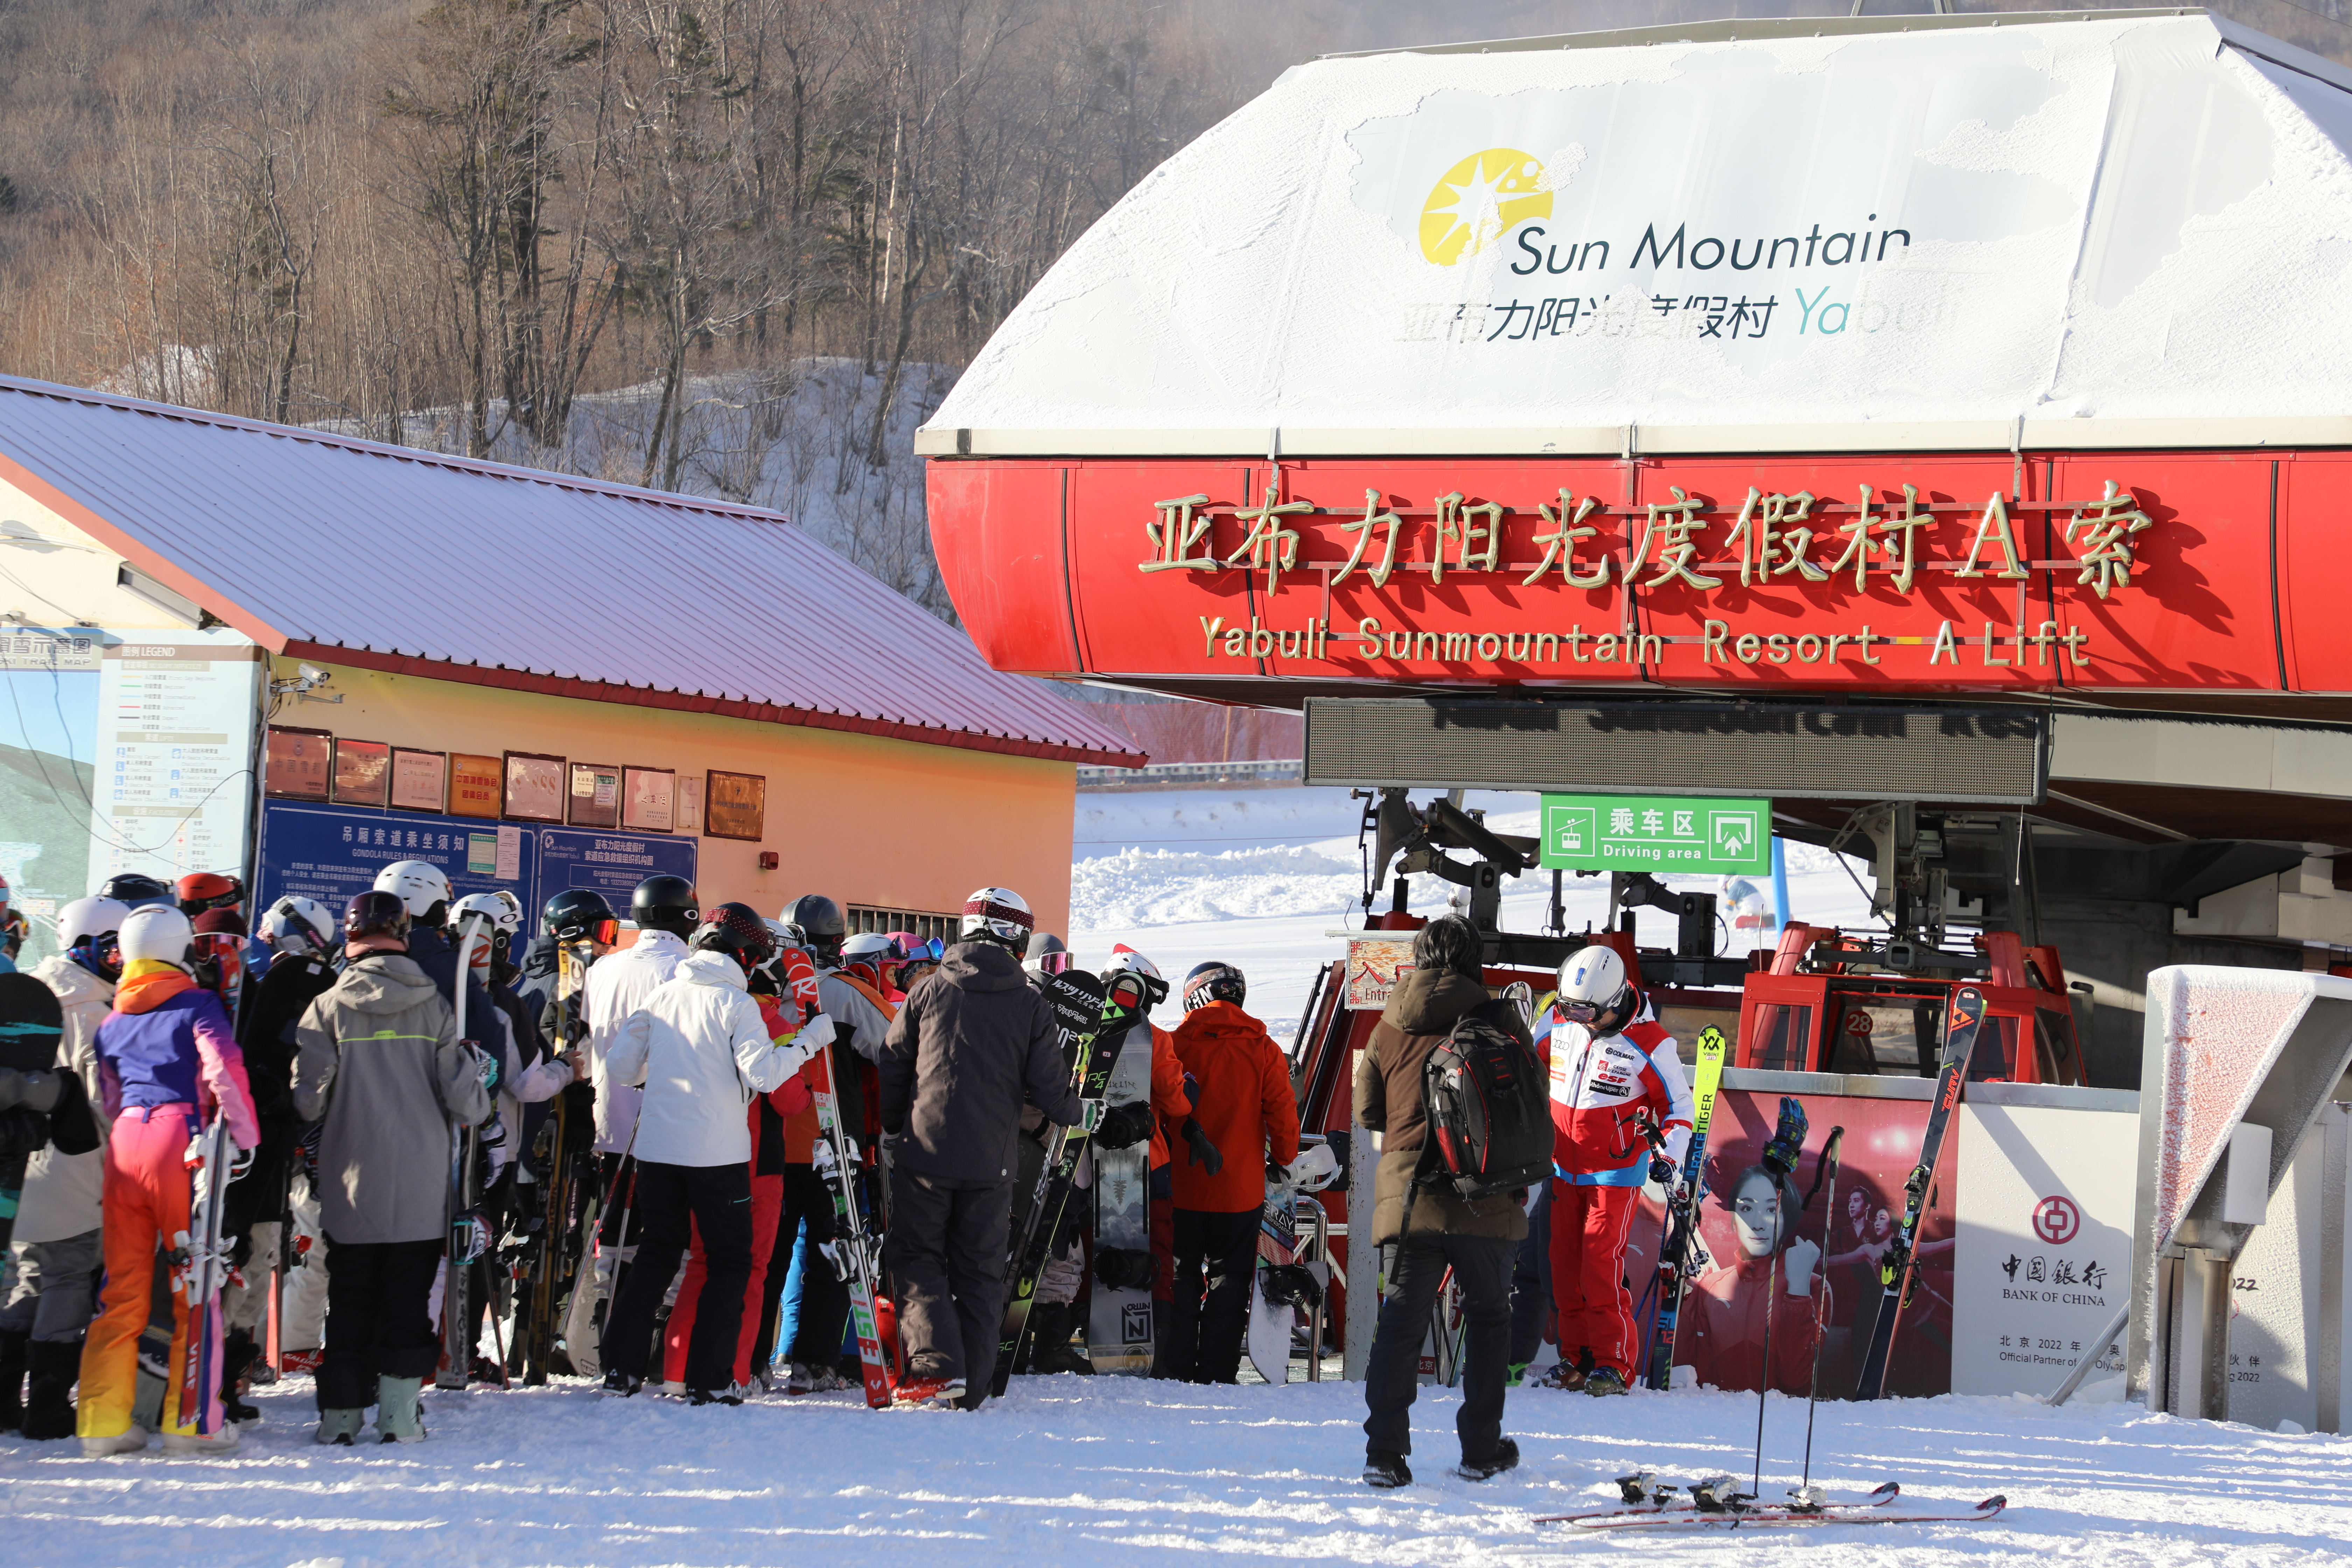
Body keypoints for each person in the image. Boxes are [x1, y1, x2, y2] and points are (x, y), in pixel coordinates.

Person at [597, 904, 828, 1403]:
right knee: (729, 1263)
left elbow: (619, 1067)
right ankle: (712, 1378)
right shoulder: (738, 1004)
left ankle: (621, 1369)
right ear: (745, 957)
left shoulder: (663, 996)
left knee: (657, 1255)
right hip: (718, 1156)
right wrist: (809, 1042)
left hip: (658, 1152)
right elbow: (765, 1076)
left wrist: (660, 1074)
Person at [879, 886, 1092, 1410]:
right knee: (980, 1271)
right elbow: (1049, 1087)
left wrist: (891, 1124)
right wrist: (1075, 1112)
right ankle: (971, 1389)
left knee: (915, 1257)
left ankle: (936, 1364)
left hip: (924, 1154)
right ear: (1017, 938)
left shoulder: (929, 991)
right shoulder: (1030, 1004)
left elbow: (893, 1059)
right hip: (991, 1163)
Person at [292, 890, 491, 1445]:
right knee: (406, 1300)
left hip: (350, 1184)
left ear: (351, 939)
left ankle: (340, 1418)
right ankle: (400, 1418)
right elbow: (467, 1105)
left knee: (350, 1299)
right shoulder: (436, 1007)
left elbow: (308, 1101)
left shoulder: (326, 1008)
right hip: (422, 1188)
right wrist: (477, 1076)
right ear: (403, 936)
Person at [78, 904, 259, 1457]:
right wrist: (246, 1139)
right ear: (181, 949)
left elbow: (108, 1095)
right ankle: (192, 1420)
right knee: (196, 1284)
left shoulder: (113, 1019)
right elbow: (223, 1068)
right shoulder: (199, 1004)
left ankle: (103, 1423)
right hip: (182, 1141)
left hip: (125, 1144)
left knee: (122, 1289)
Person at [1355, 914, 1528, 1489]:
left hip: (1410, 1202)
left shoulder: (1388, 1026)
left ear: (1420, 959)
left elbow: (1368, 1114)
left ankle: (1384, 1454)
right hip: (1485, 1198)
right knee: (1488, 1320)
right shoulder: (1500, 1018)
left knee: (1400, 1325)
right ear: (1474, 961)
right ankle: (1481, 1449)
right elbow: (1530, 1104)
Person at [564, 874, 700, 1377]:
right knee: (667, 1245)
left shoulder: (602, 970)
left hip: (607, 1126)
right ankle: (646, 1349)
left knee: (614, 1242)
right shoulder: (687, 970)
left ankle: (601, 1342)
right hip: (666, 1130)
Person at [1544, 943, 1690, 1397]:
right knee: (1564, 1267)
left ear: (1614, 1003)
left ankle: (1615, 1365)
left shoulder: (1650, 1044)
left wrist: (1669, 1159)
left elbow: (1681, 1112)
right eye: (1571, 1009)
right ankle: (1577, 1357)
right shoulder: (1562, 1020)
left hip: (1614, 1174)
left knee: (1599, 1268)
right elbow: (1524, 1052)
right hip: (1562, 1168)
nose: (1579, 1020)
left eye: (1589, 1013)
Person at [2, 896, 125, 1440]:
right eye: (113, 950)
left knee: (27, 1278)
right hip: (75, 1170)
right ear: (85, 948)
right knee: (69, 1279)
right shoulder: (97, 1014)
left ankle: (6, 1396)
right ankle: (49, 1403)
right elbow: (104, 1105)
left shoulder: (26, 992)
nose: (121, 961)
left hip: (18, 1168)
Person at [1160, 961, 1294, 1384]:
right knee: (1231, 1280)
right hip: (1240, 1192)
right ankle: (1217, 1372)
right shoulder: (1264, 1047)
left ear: (1195, 993)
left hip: (1181, 1187)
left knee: (1180, 1276)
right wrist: (1284, 1158)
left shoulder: (1174, 1044)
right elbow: (1283, 1116)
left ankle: (1176, 1367)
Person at [245, 897, 343, 1379]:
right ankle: (278, 1344)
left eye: (269, 934)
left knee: (292, 1246)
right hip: (284, 1139)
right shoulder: (263, 988)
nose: (259, 943)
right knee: (287, 1247)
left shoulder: (297, 990)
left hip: (290, 1140)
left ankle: (281, 1344)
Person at [1683, 1162, 1825, 1395]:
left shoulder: (1815, 1286)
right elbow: (1699, 1381)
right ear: (1732, 1218)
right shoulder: (1709, 1287)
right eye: (1747, 1209)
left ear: (1787, 1217)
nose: (1758, 1224)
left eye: (1772, 1210)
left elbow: (1795, 1379)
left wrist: (1798, 1292)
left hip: (1782, 1428)